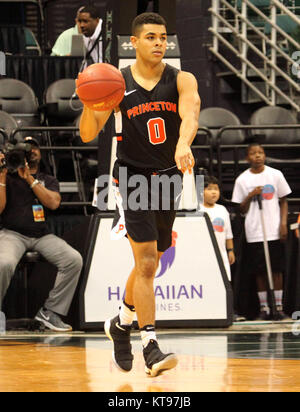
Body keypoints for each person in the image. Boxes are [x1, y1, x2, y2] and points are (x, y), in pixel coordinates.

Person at [79, 12, 201, 376]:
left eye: (163, 37)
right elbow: (87, 134)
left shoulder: (182, 79)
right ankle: (150, 345)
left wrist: (183, 144)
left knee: (150, 260)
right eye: (151, 37)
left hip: (169, 178)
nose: (160, 42)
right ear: (134, 42)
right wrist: (90, 100)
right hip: (132, 179)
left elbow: (191, 115)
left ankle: (120, 324)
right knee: (147, 262)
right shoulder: (116, 83)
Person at [0, 136, 83, 332]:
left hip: (42, 236)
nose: (32, 151)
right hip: (13, 233)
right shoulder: (8, 178)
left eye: (35, 148)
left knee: (73, 260)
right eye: (28, 149)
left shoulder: (48, 179)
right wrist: (2, 177)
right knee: (3, 263)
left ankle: (50, 312)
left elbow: (53, 203)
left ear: (40, 153)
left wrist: (29, 178)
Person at [232, 143, 291, 320]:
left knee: (276, 269)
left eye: (261, 152)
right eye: (253, 153)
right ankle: (264, 308)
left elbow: (284, 200)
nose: (257, 156)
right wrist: (250, 196)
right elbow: (241, 210)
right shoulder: (242, 180)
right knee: (259, 271)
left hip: (273, 229)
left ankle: (279, 308)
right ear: (247, 158)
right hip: (255, 231)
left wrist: (283, 224)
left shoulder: (275, 174)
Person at [202, 175, 245, 322]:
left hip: (222, 254)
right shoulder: (197, 209)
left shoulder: (222, 210)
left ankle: (229, 311)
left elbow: (228, 233)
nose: (214, 192)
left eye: (216, 189)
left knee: (226, 283)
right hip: (205, 256)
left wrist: (230, 250)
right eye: (209, 189)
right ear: (200, 192)